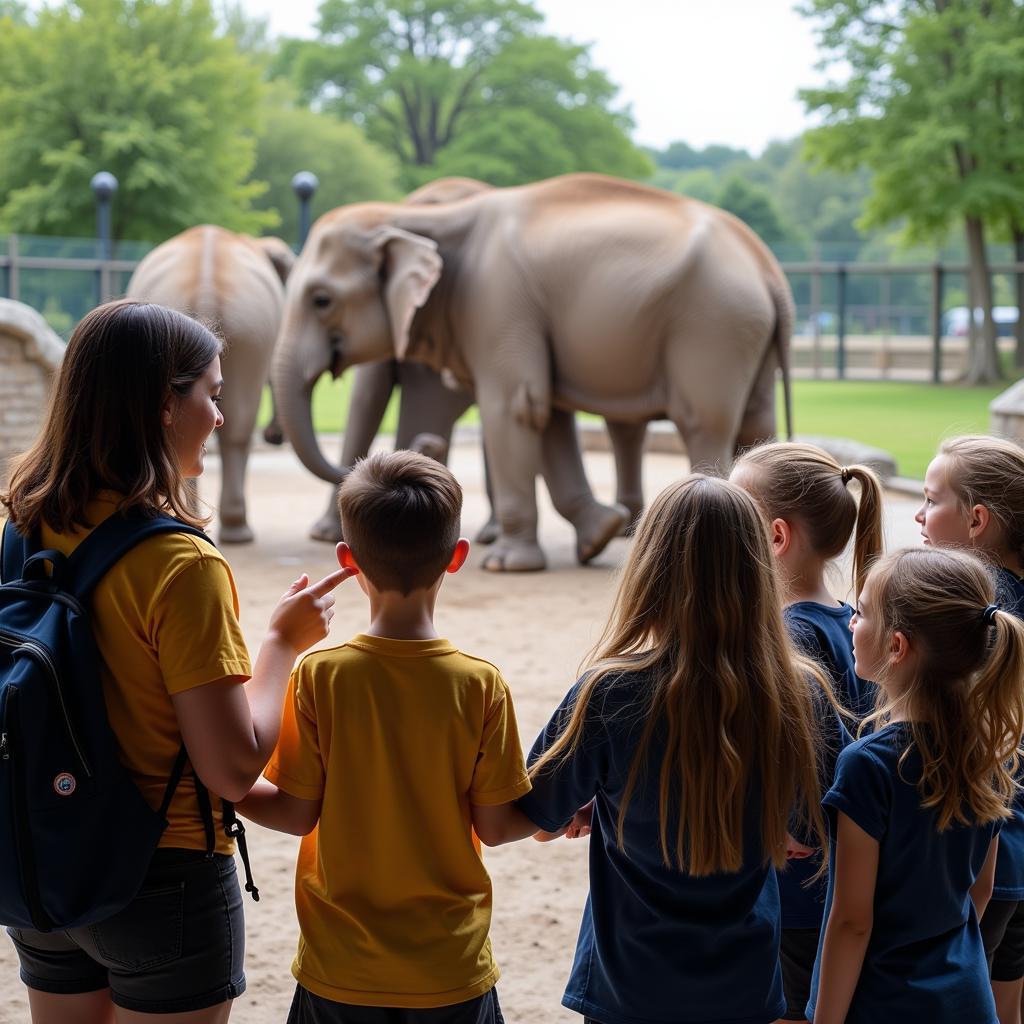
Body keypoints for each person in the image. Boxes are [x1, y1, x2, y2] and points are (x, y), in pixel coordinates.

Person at [1, 299, 351, 1024]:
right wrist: (283, 645)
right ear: (165, 404)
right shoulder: (178, 565)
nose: (220, 417)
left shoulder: (16, 531)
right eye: (212, 395)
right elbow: (231, 767)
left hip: (37, 861)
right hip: (158, 880)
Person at [511, 474, 840, 1024]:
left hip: (629, 985)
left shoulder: (609, 691)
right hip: (743, 982)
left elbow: (538, 818)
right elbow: (812, 832)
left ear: (650, 570)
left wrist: (602, 803)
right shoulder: (801, 691)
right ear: (757, 569)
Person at [237, 450, 535, 1024]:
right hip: (452, 969)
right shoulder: (479, 685)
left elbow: (296, 813)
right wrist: (556, 808)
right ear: (457, 558)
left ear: (348, 560)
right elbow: (497, 826)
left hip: (341, 969)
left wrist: (225, 785)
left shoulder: (321, 676)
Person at [807, 547, 1024, 1024]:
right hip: (965, 997)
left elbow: (852, 922)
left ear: (897, 646)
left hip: (885, 1001)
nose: (850, 621)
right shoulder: (991, 750)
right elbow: (980, 891)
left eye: (861, 612)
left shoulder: (868, 765)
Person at [730, 441, 882, 1023]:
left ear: (774, 537)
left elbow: (812, 748)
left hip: (798, 882)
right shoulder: (852, 618)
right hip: (840, 873)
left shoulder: (790, 634)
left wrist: (791, 822)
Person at [916, 435, 1024, 1024]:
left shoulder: (975, 618)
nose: (918, 514)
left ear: (977, 520)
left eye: (932, 500)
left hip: (983, 860)